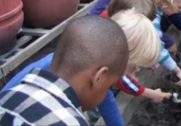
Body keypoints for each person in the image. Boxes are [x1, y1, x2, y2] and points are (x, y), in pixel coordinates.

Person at [1, 12, 162, 126]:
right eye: (109, 86)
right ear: (100, 78)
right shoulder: (67, 121)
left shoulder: (65, 66)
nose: (136, 72)